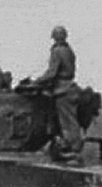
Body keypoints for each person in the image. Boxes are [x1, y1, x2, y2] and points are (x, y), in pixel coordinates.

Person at [31, 25, 82, 159]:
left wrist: (36, 82)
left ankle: (72, 147)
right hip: (70, 87)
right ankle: (69, 146)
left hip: (63, 90)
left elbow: (52, 72)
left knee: (67, 121)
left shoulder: (57, 51)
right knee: (69, 120)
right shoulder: (69, 50)